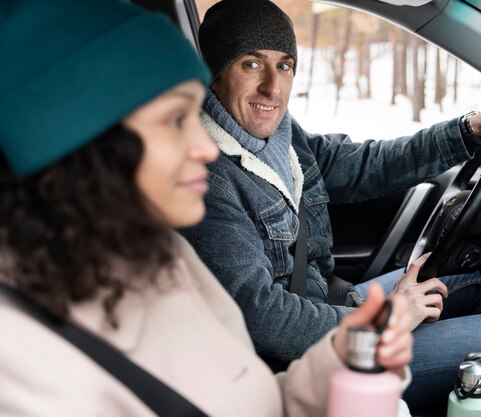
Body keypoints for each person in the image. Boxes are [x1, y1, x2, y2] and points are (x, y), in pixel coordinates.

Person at [0, 1, 417, 416]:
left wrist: (342, 355)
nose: (204, 147)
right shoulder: (19, 367)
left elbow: (256, 406)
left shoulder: (166, 259)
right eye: (176, 121)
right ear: (87, 146)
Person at [181, 0, 481, 412]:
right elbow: (264, 318)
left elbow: (364, 165)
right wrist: (387, 319)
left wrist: (475, 126)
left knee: (476, 282)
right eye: (252, 64)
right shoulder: (206, 180)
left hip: (332, 310)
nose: (272, 87)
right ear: (214, 72)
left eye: (284, 65)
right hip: (303, 364)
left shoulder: (279, 138)